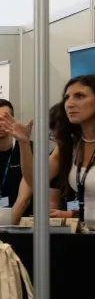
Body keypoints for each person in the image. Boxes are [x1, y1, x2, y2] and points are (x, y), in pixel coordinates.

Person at [49, 75, 95, 229]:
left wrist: (70, 214)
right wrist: (23, 142)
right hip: (85, 234)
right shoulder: (72, 145)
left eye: (79, 96)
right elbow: (34, 179)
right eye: (67, 97)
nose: (69, 103)